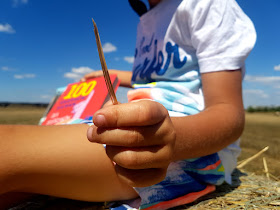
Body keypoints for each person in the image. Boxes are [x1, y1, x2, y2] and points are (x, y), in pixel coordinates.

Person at [0, 0, 256, 209]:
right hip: (143, 123)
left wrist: (174, 140)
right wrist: (110, 75)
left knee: (8, 149)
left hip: (189, 143)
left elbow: (228, 112)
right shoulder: (147, 20)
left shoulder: (208, 5)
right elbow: (155, 79)